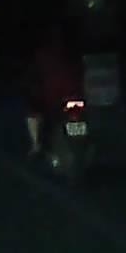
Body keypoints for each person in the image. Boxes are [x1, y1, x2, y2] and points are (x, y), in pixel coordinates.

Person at [24, 22, 83, 156]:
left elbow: (34, 78)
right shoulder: (72, 53)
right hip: (75, 95)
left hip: (55, 98)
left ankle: (36, 145)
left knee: (32, 114)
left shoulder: (42, 56)